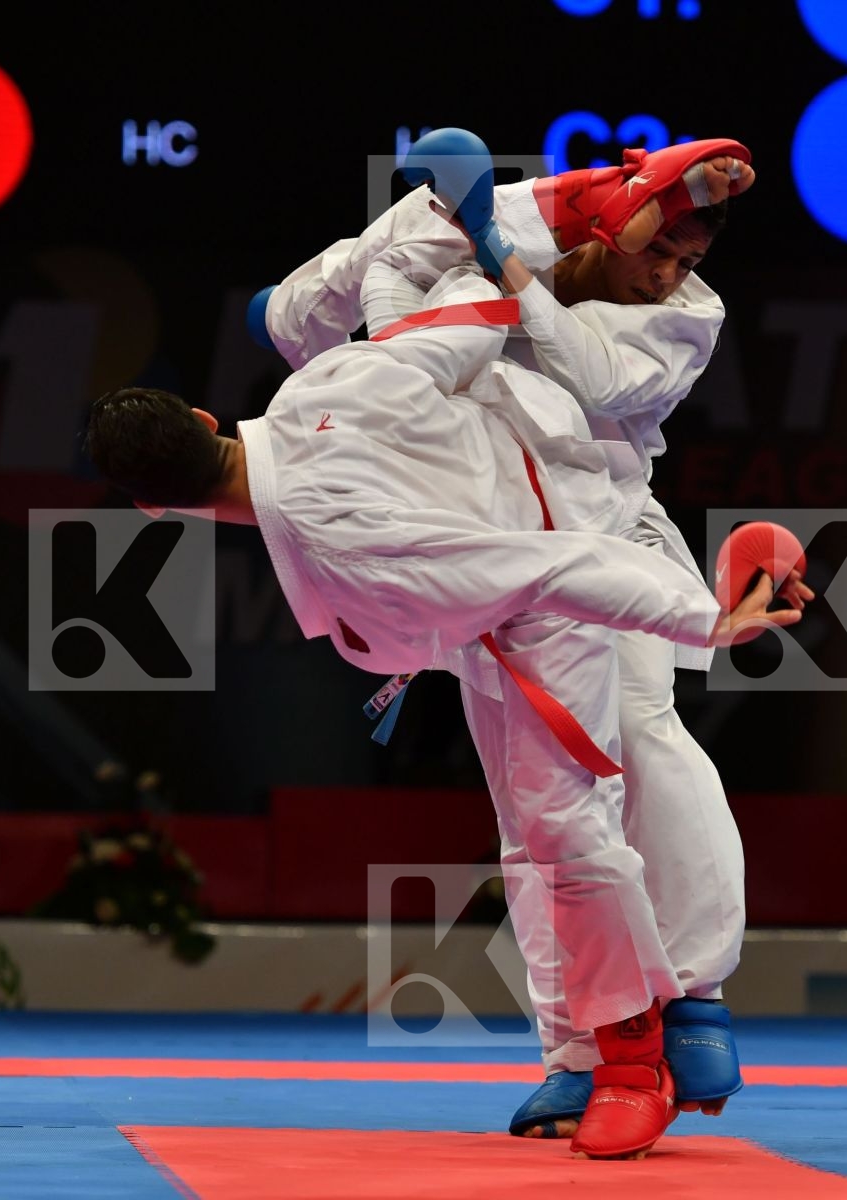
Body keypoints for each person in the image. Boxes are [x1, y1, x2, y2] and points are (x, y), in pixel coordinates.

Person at [87, 262, 807, 1158]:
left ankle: (651, 1042)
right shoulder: (324, 383)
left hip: (569, 552)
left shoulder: (336, 538)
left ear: (152, 508)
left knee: (574, 819)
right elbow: (469, 313)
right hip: (520, 576)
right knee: (529, 834)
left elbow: (548, 571)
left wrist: (702, 617)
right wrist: (463, 249)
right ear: (204, 420)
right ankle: (578, 1054)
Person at [250, 132, 758, 1138]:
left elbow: (600, 380)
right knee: (536, 823)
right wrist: (510, 223)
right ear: (612, 221)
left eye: (687, 258)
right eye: (658, 244)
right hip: (495, 553)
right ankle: (575, 1050)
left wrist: (504, 258)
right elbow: (361, 292)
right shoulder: (483, 238)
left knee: (645, 741)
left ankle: (696, 994)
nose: (668, 272)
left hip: (606, 539)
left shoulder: (689, 315)